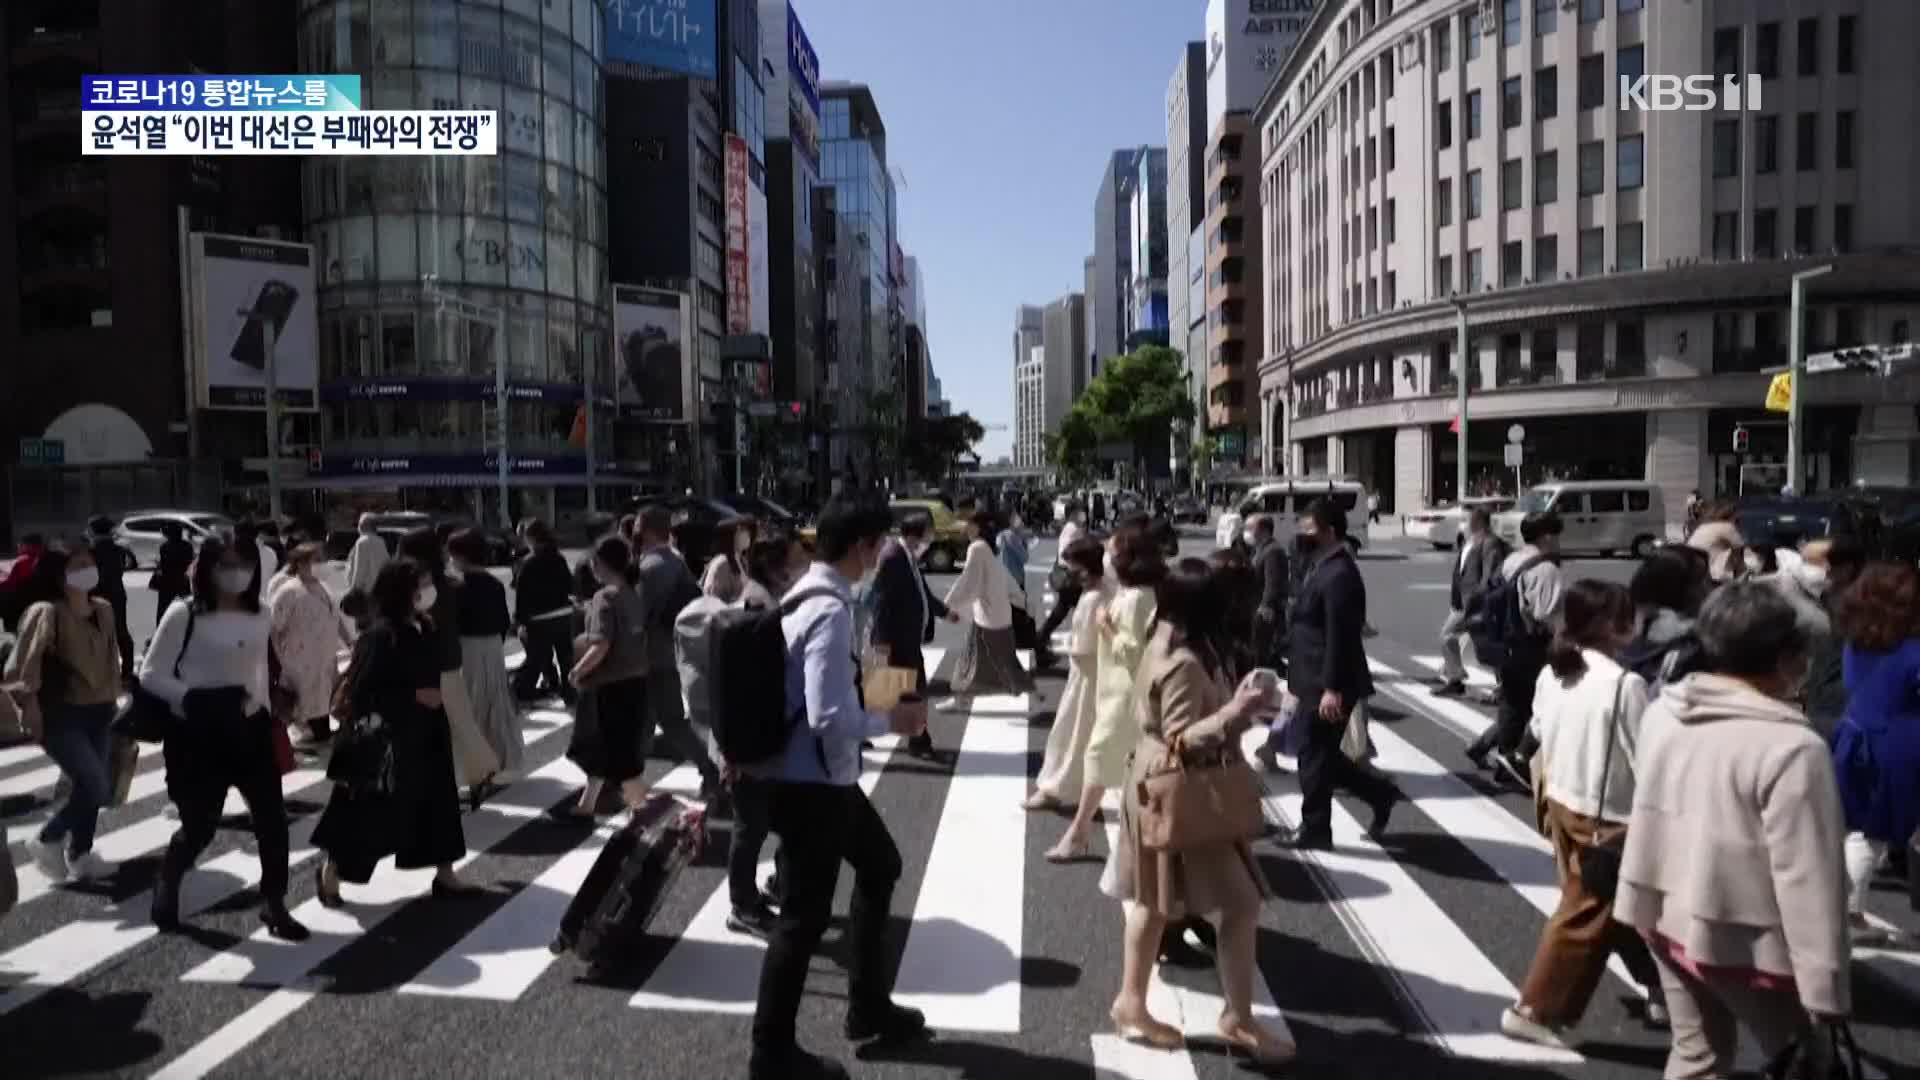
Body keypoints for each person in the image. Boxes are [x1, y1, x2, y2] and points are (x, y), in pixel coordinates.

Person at [1613, 582, 1849, 1077]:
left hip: (1660, 911)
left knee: (1697, 1054)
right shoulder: (1790, 747)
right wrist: (1824, 989)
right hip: (1742, 937)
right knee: (1804, 1062)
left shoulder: (1667, 709)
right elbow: (1807, 876)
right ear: (1787, 657)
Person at [746, 497, 930, 1080]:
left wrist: (879, 695)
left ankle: (868, 1007)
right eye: (878, 545)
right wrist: (891, 722)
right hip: (812, 785)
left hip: (817, 778)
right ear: (861, 547)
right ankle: (771, 1053)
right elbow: (828, 714)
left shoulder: (805, 596)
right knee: (803, 916)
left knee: (880, 866)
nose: (880, 556)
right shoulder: (827, 610)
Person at [1100, 557, 1294, 1067]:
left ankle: (1133, 1002)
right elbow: (1183, 740)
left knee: (1154, 901)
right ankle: (1238, 1020)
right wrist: (1237, 711)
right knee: (1239, 903)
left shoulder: (1163, 636)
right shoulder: (1185, 661)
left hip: (1155, 785)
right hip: (1182, 790)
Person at [1500, 580, 1666, 1047]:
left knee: (1612, 909)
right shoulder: (1624, 685)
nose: (1633, 622)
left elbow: (1536, 727)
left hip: (1561, 803)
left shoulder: (1555, 671)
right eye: (1626, 615)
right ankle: (1532, 1009)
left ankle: (1658, 988)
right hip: (1609, 817)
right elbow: (1648, 759)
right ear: (1610, 626)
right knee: (1585, 915)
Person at [145, 535, 310, 940]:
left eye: (244, 563)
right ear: (208, 568)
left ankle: (274, 903)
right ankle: (169, 877)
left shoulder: (261, 614)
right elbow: (151, 675)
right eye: (227, 564)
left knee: (273, 822)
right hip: (198, 734)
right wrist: (197, 701)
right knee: (200, 826)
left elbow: (258, 669)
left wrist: (272, 709)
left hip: (250, 731)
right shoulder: (185, 614)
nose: (237, 572)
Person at [312, 558, 478, 906]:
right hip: (391, 736)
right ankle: (333, 869)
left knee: (438, 802)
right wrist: (413, 695)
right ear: (403, 592)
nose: (427, 591)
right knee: (370, 809)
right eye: (420, 584)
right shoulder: (379, 635)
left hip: (428, 730)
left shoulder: (425, 625)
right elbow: (362, 691)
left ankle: (445, 873)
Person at [1280, 498, 1401, 851]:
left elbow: (1340, 635)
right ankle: (1379, 793)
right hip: (1310, 675)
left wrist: (1331, 688)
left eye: (1311, 528)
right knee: (1322, 754)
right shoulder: (1319, 565)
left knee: (1312, 753)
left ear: (1330, 531)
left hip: (1329, 680)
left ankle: (1316, 827)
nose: (1304, 534)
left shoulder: (1340, 574)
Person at [1045, 519, 1164, 862]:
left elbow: (1132, 650)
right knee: (1125, 766)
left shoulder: (1133, 599)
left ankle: (1078, 834)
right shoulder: (1143, 592)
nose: (1108, 557)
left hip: (1125, 694)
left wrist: (1105, 627)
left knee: (1099, 760)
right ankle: (1142, 837)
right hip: (1121, 691)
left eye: (1113, 552)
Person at [5, 543, 122, 883]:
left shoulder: (103, 609)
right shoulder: (47, 612)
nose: (89, 568)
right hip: (62, 714)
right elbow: (23, 666)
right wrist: (29, 707)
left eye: (91, 562)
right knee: (96, 785)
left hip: (101, 709)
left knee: (90, 786)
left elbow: (110, 658)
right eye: (79, 564)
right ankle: (47, 837)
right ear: (60, 575)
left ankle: (80, 854)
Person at [1829, 562, 1920, 934]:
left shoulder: (1857, 643)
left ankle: (1848, 909)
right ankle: (1849, 911)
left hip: (1854, 736)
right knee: (1875, 834)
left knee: (1857, 830)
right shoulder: (1913, 651)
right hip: (1902, 744)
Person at [554, 537, 652, 822]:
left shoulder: (605, 597)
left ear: (601, 564)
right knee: (609, 747)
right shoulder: (632, 593)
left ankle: (641, 811)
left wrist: (577, 671)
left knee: (617, 751)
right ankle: (587, 805)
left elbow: (601, 645)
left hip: (611, 683)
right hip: (636, 679)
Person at [399, 529, 499, 800]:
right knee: (459, 718)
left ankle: (479, 771)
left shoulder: (422, 586)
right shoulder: (447, 582)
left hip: (431, 663)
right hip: (448, 659)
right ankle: (479, 771)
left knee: (451, 721)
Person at [1466, 511, 1566, 779]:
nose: (1559, 541)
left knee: (1514, 702)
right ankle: (1509, 762)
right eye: (1556, 535)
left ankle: (1489, 748)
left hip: (1505, 641)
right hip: (1531, 645)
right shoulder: (1546, 569)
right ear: (1547, 536)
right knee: (1532, 705)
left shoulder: (1514, 559)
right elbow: (1549, 615)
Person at [634, 507, 723, 801]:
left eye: (636, 525)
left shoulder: (648, 567)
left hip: (651, 655)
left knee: (670, 721)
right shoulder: (675, 559)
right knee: (644, 720)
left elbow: (637, 616)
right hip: (671, 650)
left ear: (645, 529)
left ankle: (711, 770)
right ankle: (619, 777)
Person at [1023, 538, 1112, 811]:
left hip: (1086, 679)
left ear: (1084, 568)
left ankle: (1054, 789)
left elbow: (1085, 648)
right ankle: (1070, 790)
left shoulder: (1093, 598)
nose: (1067, 572)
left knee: (1070, 736)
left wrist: (1068, 647)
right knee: (1081, 737)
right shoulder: (1105, 590)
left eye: (1071, 567)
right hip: (1096, 677)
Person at [869, 513, 956, 759]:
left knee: (898, 692)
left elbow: (921, 592)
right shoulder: (893, 557)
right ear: (915, 534)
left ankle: (915, 740)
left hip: (905, 638)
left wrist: (945, 612)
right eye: (929, 532)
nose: (932, 537)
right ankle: (918, 741)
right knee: (905, 691)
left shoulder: (906, 556)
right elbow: (882, 603)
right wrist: (882, 641)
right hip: (896, 639)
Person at [448, 528, 524, 789]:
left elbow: (452, 624)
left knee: (469, 707)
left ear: (459, 555)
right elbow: (503, 621)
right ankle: (501, 760)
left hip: (467, 649)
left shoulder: (456, 586)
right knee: (495, 704)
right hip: (493, 647)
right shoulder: (494, 583)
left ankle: (474, 766)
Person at [942, 510, 1034, 702]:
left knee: (1002, 662)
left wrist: (949, 606)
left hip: (988, 616)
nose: (963, 527)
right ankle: (960, 700)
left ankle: (1034, 696)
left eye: (966, 523)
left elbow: (968, 582)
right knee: (976, 660)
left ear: (977, 527)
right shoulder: (987, 547)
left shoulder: (977, 548)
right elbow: (1000, 578)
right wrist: (1019, 597)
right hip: (994, 613)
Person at [268, 543, 352, 746]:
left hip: (323, 660)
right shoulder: (289, 591)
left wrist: (349, 640)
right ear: (301, 563)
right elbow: (273, 627)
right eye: (316, 559)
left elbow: (335, 617)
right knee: (303, 709)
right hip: (299, 663)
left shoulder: (324, 586)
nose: (321, 564)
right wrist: (280, 658)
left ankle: (318, 735)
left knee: (322, 703)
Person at [1433, 507, 1507, 697]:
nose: (1465, 524)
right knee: (1454, 637)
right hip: (1463, 603)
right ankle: (1456, 678)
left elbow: (1491, 575)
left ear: (1479, 521)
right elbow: (1462, 571)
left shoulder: (1490, 542)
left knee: (1487, 644)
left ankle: (1503, 685)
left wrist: (1479, 597)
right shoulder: (1469, 540)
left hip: (1478, 603)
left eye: (1468, 520)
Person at [512, 519, 577, 705]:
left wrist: (520, 621)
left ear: (530, 538)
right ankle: (570, 692)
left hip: (540, 618)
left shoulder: (528, 563)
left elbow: (522, 596)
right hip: (563, 613)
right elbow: (570, 585)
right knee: (566, 658)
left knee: (536, 657)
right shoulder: (559, 558)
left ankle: (522, 690)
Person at [1034, 502, 1087, 672]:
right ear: (1073, 513)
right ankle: (1041, 643)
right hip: (1072, 578)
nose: (1083, 514)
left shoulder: (1072, 527)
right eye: (1080, 511)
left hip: (1072, 578)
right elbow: (1065, 554)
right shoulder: (1072, 529)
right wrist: (1078, 568)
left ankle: (1040, 643)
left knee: (1062, 612)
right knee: (1085, 610)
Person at [85, 517, 135, 682]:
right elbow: (131, 565)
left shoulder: (89, 552)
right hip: (117, 594)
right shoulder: (120, 550)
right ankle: (127, 672)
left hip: (96, 596)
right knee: (121, 631)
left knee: (96, 634)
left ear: (93, 531)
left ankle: (102, 673)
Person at [1248, 514, 1290, 672]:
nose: (1248, 532)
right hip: (1257, 607)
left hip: (1265, 611)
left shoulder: (1273, 551)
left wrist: (1266, 606)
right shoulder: (1260, 549)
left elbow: (1273, 582)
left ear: (1263, 530)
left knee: (1264, 651)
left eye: (1251, 528)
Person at [998, 510, 1038, 656]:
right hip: (1014, 578)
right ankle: (1021, 641)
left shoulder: (1003, 535)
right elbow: (1024, 557)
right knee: (1019, 610)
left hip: (1006, 577)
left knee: (1012, 610)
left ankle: (1013, 640)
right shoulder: (1011, 536)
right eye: (1016, 518)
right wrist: (1024, 542)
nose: (1020, 520)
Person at [1685, 499, 1745, 584]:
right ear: (1732, 514)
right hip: (1713, 574)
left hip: (1694, 569)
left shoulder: (1704, 526)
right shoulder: (1727, 527)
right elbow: (1740, 553)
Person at [701, 516, 757, 603]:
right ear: (729, 535)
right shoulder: (722, 563)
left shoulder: (742, 561)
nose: (747, 534)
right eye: (741, 530)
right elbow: (714, 601)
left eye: (748, 530)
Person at [150, 521, 195, 626]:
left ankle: (160, 630)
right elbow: (189, 562)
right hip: (182, 580)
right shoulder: (187, 546)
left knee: (162, 609)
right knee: (186, 607)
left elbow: (164, 565)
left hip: (167, 581)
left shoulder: (164, 547)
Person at [346, 513, 390, 598]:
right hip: (380, 589)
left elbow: (360, 569)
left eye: (359, 524)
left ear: (364, 526)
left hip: (366, 591)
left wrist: (353, 590)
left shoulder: (362, 542)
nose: (358, 527)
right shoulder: (380, 541)